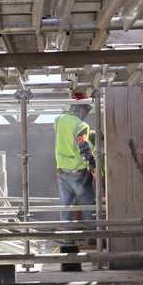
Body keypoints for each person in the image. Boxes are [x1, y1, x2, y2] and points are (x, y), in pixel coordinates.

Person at [54, 98, 97, 230]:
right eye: (86, 111)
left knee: (65, 207)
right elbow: (83, 146)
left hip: (61, 169)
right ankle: (93, 239)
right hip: (77, 172)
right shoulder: (81, 125)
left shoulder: (59, 119)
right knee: (88, 207)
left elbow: (66, 137)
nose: (86, 115)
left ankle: (68, 241)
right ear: (80, 109)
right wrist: (92, 165)